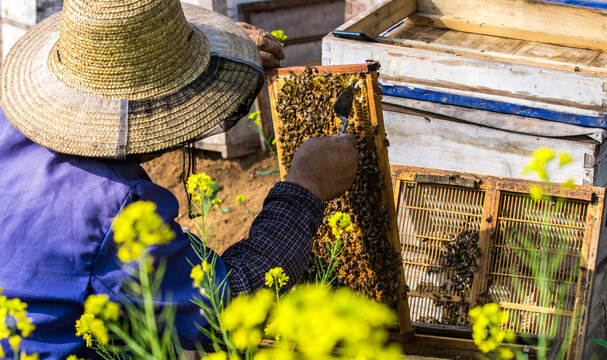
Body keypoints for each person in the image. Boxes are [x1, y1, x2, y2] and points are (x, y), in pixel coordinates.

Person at [0, 0, 358, 358]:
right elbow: (225, 307)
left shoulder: (6, 123)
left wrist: (219, 45)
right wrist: (306, 187)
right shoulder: (115, 208)